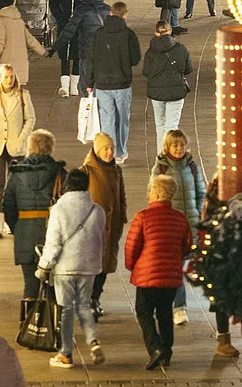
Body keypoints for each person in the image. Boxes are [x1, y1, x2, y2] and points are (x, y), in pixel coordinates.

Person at [37, 168, 107, 368]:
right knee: (84, 306)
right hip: (89, 267)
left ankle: (66, 353)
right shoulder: (97, 210)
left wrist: (44, 265)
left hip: (65, 269)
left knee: (66, 310)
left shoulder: (59, 210)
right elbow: (100, 239)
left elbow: (53, 242)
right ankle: (92, 340)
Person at [122, 177, 192, 370]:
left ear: (156, 193)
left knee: (144, 312)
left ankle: (155, 348)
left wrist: (132, 266)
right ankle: (167, 353)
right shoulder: (180, 218)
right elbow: (187, 245)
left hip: (148, 276)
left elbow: (131, 247)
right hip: (170, 276)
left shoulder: (143, 217)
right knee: (165, 314)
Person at [0, 129, 65, 296]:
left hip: (25, 229)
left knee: (30, 282)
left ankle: (29, 319)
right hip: (52, 230)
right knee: (52, 282)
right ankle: (52, 319)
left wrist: (17, 228)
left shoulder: (16, 173)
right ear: (50, 148)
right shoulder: (58, 172)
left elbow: (8, 204)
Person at [152, 128, 205, 327]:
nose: (179, 148)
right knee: (174, 266)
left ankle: (174, 304)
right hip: (170, 225)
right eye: (175, 144)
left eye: (182, 144)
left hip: (189, 225)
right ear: (167, 146)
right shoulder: (161, 168)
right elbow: (154, 195)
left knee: (178, 266)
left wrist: (199, 215)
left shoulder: (192, 167)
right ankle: (178, 307)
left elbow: (201, 192)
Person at [0, 64, 36, 237]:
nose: (9, 80)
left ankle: (12, 221)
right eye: (6, 77)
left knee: (15, 184)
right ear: (0, 79)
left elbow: (30, 119)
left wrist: (21, 138)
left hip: (16, 147)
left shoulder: (23, 95)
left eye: (12, 77)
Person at [84, 0, 142, 155]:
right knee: (123, 120)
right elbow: (136, 59)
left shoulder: (99, 34)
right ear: (125, 15)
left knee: (107, 120)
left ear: (110, 13)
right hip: (122, 83)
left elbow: (91, 59)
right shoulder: (129, 34)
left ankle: (108, 152)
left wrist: (89, 82)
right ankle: (121, 152)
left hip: (102, 84)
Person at [82, 132, 128, 320]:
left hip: (112, 225)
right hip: (93, 226)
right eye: (105, 149)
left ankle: (95, 298)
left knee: (106, 264)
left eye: (111, 149)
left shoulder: (116, 171)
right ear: (97, 150)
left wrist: (122, 216)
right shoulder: (87, 171)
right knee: (93, 264)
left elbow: (121, 195)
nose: (109, 153)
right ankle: (89, 300)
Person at [0, 0, 45, 95]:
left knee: (5, 101)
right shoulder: (18, 20)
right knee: (17, 99)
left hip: (5, 67)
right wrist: (43, 52)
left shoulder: (0, 21)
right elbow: (30, 39)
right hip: (21, 66)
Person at [145, 21, 195, 145]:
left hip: (156, 92)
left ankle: (161, 157)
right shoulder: (181, 49)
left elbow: (146, 71)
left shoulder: (151, 51)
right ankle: (171, 158)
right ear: (170, 31)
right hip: (176, 92)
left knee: (160, 125)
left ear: (156, 33)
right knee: (172, 126)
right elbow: (188, 69)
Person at [57, 0, 106, 98]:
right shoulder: (107, 9)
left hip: (86, 50)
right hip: (100, 52)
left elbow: (70, 28)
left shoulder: (82, 10)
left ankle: (86, 99)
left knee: (86, 79)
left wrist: (57, 44)